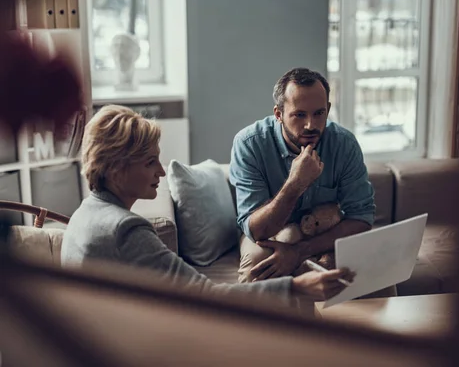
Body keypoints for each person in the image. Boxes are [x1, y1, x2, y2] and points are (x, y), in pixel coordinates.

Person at [61, 105, 352, 307]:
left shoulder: (84, 213)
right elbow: (207, 297)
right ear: (115, 170)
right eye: (150, 162)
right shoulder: (126, 230)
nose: (161, 173)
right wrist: (298, 288)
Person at [230, 68, 376, 285]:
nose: (311, 125)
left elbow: (361, 218)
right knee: (258, 269)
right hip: (269, 237)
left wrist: (300, 251)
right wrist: (295, 184)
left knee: (375, 270)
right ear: (278, 114)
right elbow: (256, 230)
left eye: (319, 113)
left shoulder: (344, 144)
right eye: (299, 115)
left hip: (325, 232)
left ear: (328, 109)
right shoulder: (249, 144)